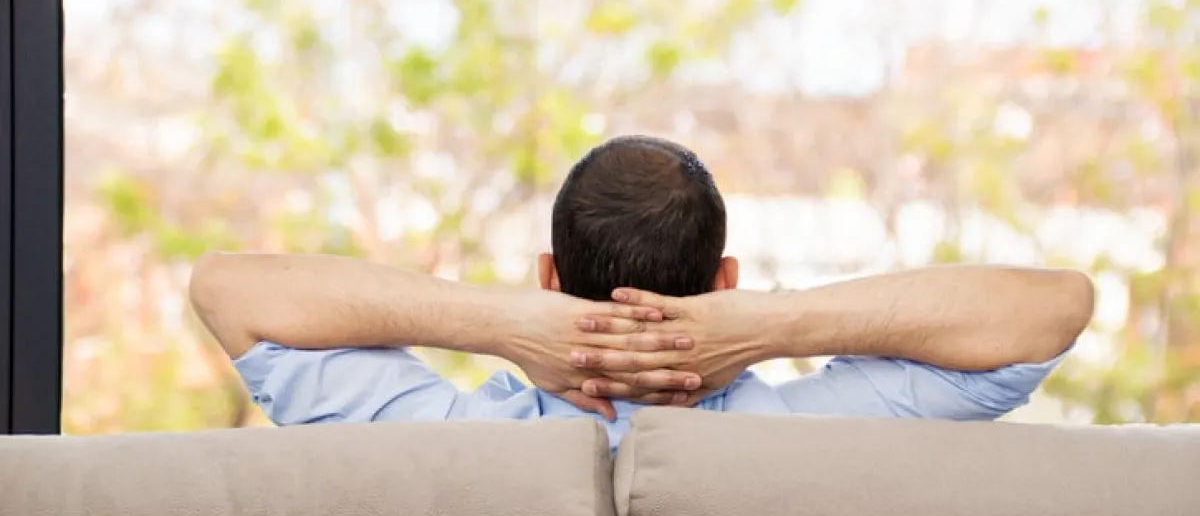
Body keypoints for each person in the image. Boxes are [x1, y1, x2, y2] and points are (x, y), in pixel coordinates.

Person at [190, 135, 1094, 449]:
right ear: (725, 284)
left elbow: (226, 288)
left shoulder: (443, 443)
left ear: (546, 279)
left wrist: (499, 324)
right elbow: (1054, 309)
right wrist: (772, 326)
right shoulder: (812, 437)